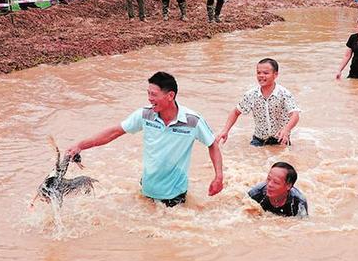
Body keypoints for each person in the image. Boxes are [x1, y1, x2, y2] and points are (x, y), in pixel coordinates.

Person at [66, 72, 225, 207]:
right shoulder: (145, 115)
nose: (149, 98)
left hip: (174, 195)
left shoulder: (193, 121)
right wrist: (80, 145)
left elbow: (213, 145)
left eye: (154, 94)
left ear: (170, 95)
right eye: (148, 93)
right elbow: (114, 132)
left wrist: (218, 177)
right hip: (146, 189)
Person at [217, 58, 300, 147]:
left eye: (265, 73)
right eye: (258, 72)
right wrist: (225, 131)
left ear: (275, 75)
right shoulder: (251, 95)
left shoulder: (284, 94)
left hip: (281, 140)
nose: (261, 75)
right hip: (258, 141)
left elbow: (295, 115)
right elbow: (235, 112)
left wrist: (286, 130)